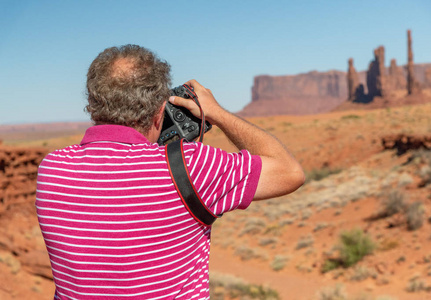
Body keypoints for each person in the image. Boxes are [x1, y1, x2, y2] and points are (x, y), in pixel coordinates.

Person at [36, 44, 305, 300]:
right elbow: (289, 172)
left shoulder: (52, 170)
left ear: (93, 102)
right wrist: (217, 113)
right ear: (159, 110)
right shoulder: (189, 166)